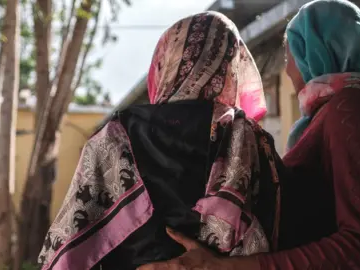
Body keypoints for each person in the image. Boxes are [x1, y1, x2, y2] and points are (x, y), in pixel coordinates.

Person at [138, 0, 360, 269]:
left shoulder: (350, 108)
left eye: (291, 56)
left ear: (318, 51)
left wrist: (224, 267)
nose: (288, 70)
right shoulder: (327, 118)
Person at [38, 11, 283, 270]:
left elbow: (67, 255)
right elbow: (285, 242)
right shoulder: (251, 142)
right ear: (233, 68)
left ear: (165, 62)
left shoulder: (117, 136)